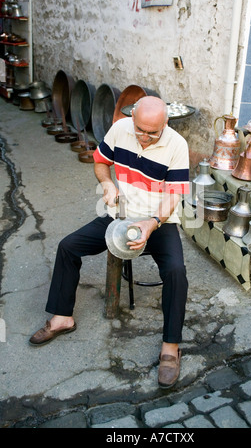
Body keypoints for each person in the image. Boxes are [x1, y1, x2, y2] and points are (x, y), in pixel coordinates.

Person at [29, 96, 190, 389]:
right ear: (133, 119)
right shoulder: (120, 129)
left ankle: (170, 347)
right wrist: (107, 183)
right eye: (140, 129)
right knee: (68, 246)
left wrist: (151, 223)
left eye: (152, 132)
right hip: (119, 215)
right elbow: (101, 161)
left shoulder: (177, 145)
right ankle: (63, 317)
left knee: (176, 271)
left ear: (165, 124)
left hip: (158, 221)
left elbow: (174, 195)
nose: (144, 137)